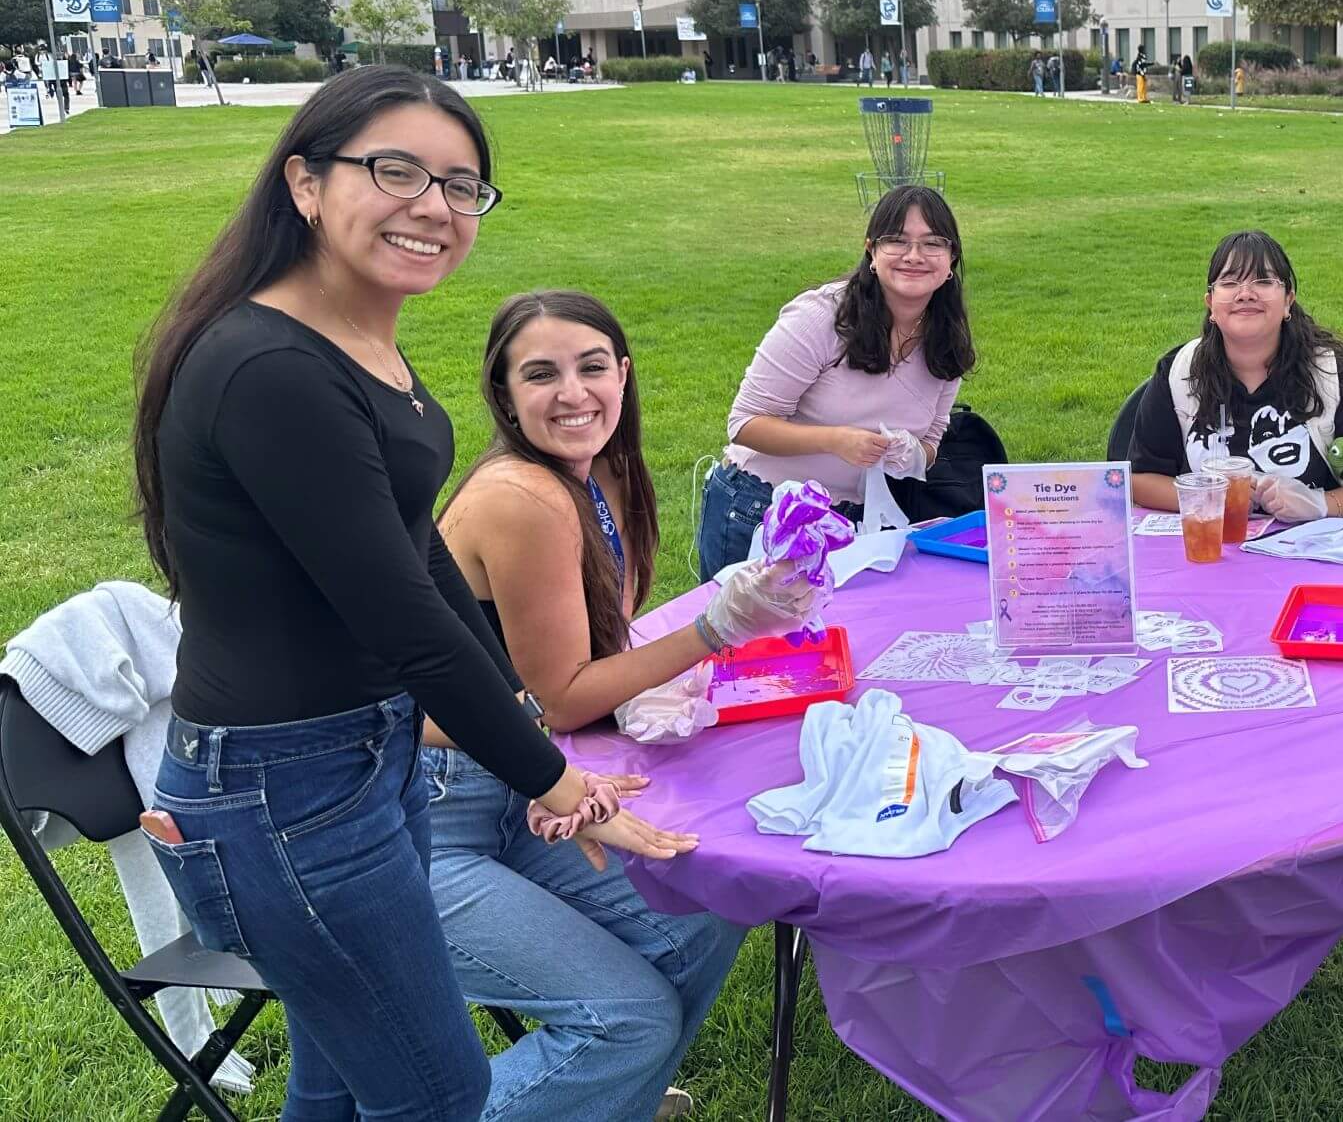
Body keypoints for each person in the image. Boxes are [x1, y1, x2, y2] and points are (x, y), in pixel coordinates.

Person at [130, 66, 803, 1117]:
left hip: (361, 760)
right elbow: (403, 619)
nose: (433, 208)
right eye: (396, 171)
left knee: (343, 1084)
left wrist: (525, 738)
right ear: (305, 183)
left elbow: (422, 561)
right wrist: (552, 778)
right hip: (281, 789)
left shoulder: (358, 343)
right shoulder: (271, 368)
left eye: (461, 186)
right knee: (434, 1091)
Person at [432, 290, 768, 1121]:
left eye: (592, 368)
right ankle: (605, 1078)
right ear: (503, 395)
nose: (573, 393)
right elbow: (565, 694)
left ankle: (601, 1100)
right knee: (627, 1023)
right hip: (418, 815)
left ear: (624, 374)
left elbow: (586, 664)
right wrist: (716, 628)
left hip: (519, 785)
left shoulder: (602, 473)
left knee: (700, 914)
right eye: (540, 375)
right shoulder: (524, 496)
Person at [699, 184, 975, 573]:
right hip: (761, 508)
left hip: (852, 524)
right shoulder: (821, 318)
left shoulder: (946, 338)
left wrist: (912, 453)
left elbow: (931, 439)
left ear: (951, 259)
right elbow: (744, 424)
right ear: (871, 252)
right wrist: (836, 440)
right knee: (748, 634)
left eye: (932, 244)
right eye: (897, 241)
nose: (914, 256)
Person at [1127, 229, 1343, 521]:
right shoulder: (1180, 372)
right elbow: (1139, 478)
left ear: (1288, 301)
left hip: (1310, 549)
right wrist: (1209, 499)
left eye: (1264, 281)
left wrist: (1320, 504)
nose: (1246, 294)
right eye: (1230, 282)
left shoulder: (1329, 372)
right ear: (1210, 303)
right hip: (1213, 549)